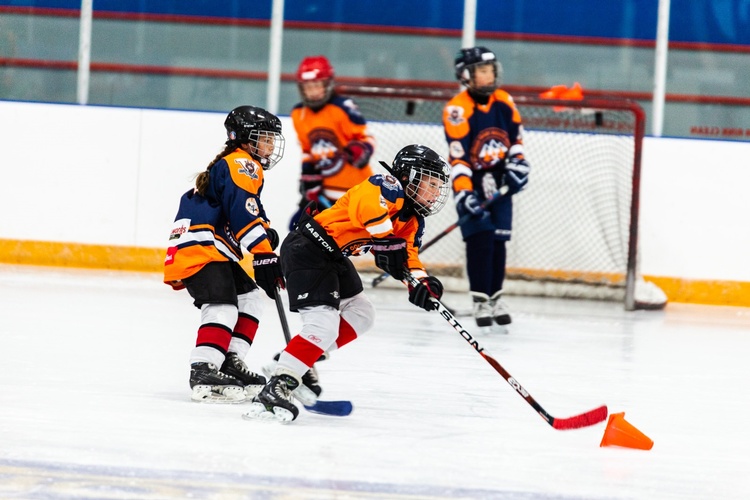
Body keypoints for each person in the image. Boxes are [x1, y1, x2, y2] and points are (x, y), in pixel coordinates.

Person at [245, 144, 451, 422]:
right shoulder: (386, 185)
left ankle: (293, 359)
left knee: (362, 314)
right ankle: (278, 386)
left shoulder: (413, 220)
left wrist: (420, 283)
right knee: (323, 325)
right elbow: (367, 210)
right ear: (408, 176)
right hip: (309, 248)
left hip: (333, 258)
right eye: (430, 183)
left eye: (439, 186)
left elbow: (408, 257)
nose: (435, 192)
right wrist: (386, 243)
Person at [163, 105, 287, 403]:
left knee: (251, 299)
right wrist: (263, 254)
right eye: (265, 138)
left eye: (272, 139)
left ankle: (229, 360)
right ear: (244, 138)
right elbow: (241, 209)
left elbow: (248, 210)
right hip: (200, 250)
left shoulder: (238, 164)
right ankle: (204, 367)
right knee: (224, 306)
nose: (270, 145)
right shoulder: (242, 163)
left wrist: (265, 234)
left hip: (212, 250)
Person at [442, 46, 531, 328]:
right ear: (466, 75)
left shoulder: (504, 101)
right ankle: (480, 300)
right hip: (472, 180)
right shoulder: (458, 109)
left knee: (499, 240)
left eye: (490, 70)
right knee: (479, 240)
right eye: (482, 71)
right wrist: (465, 192)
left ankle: (496, 298)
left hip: (501, 180)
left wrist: (518, 165)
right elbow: (458, 157)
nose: (489, 75)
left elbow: (516, 140)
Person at [288, 55, 376, 229]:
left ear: (327, 85)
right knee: (297, 226)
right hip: (326, 192)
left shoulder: (342, 107)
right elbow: (307, 150)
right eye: (308, 87)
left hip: (356, 190)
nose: (312, 91)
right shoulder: (298, 113)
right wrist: (309, 178)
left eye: (316, 86)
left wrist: (361, 150)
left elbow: (367, 138)